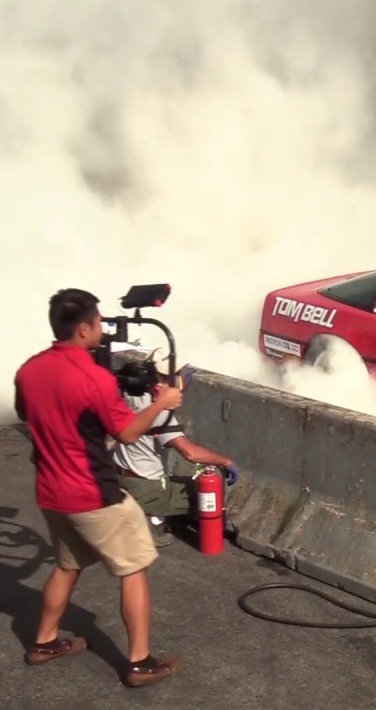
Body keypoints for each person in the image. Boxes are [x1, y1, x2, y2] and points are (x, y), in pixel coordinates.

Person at [13, 288, 183, 687]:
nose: (104, 328)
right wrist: (162, 403)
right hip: (93, 495)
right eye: (100, 322)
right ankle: (140, 663)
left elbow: (26, 412)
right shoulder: (94, 379)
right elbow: (126, 433)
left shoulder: (30, 369)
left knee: (68, 564)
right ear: (86, 327)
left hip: (51, 491)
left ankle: (44, 642)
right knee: (135, 566)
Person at [110, 352, 240, 547]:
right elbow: (190, 453)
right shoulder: (160, 413)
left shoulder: (128, 396)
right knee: (202, 491)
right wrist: (226, 461)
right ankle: (152, 518)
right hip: (146, 486)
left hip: (119, 477)